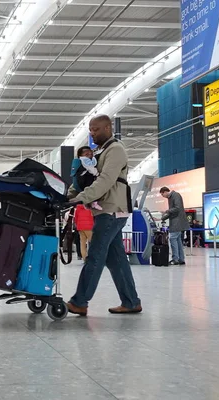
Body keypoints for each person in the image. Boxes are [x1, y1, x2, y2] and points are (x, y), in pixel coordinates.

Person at [66, 115, 141, 316]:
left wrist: (81, 198)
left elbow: (106, 180)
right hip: (105, 210)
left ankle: (80, 301)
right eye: (90, 130)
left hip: (112, 210)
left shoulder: (115, 150)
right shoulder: (99, 152)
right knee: (115, 259)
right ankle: (131, 301)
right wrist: (69, 196)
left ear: (108, 128)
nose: (92, 133)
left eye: (96, 129)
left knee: (96, 256)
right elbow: (87, 179)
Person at [160, 186, 189, 266]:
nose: (163, 197)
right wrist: (162, 218)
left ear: (165, 191)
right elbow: (172, 212)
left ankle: (175, 259)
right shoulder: (171, 198)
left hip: (177, 222)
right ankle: (181, 259)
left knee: (173, 239)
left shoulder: (175, 195)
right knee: (178, 241)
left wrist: (166, 211)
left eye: (163, 195)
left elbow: (177, 208)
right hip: (176, 222)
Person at [71, 146, 103, 210]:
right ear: (80, 155)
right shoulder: (84, 160)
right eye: (86, 154)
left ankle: (92, 203)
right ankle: (94, 203)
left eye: (91, 154)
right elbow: (90, 168)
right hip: (84, 181)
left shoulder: (80, 161)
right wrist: (97, 174)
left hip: (81, 182)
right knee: (93, 188)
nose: (89, 155)